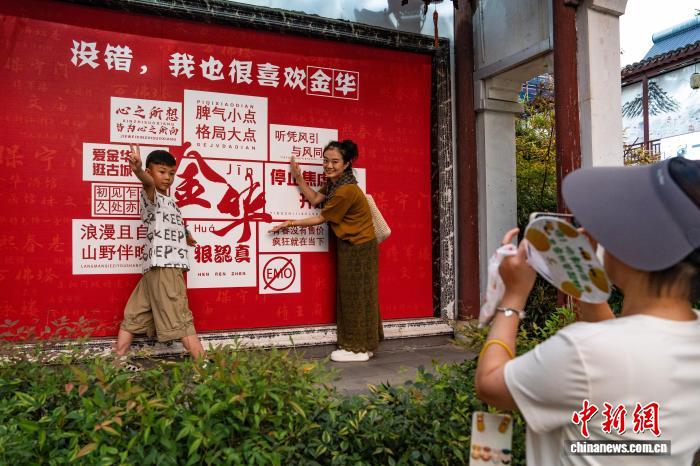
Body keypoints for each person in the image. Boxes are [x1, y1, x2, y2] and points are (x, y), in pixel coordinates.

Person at [475, 157, 700, 465]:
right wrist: (582, 277)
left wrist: (513, 297)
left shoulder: (584, 351)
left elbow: (489, 385)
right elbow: (623, 351)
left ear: (635, 248)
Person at [269, 140, 382, 362]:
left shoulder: (346, 190)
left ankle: (356, 349)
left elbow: (321, 217)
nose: (328, 166)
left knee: (353, 296)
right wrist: (298, 177)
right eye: (326, 160)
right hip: (356, 245)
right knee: (361, 295)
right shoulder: (336, 184)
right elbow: (315, 199)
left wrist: (289, 223)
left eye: (335, 162)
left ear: (346, 164)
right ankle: (365, 345)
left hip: (358, 248)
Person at [114, 145, 206, 362]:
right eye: (161, 172)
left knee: (134, 316)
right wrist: (138, 171)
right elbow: (147, 182)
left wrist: (186, 236)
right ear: (149, 171)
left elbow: (170, 224)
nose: (167, 178)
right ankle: (205, 368)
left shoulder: (170, 201)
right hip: (166, 267)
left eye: (171, 173)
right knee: (181, 319)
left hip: (153, 269)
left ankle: (116, 364)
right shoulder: (151, 194)